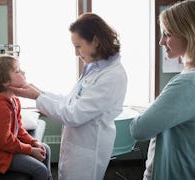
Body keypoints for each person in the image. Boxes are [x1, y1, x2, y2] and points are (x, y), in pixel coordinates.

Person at [10, 12, 127, 180]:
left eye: (78, 46)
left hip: (89, 150)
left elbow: (74, 115)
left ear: (95, 41)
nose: (75, 53)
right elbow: (71, 101)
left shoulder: (112, 76)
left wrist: (37, 97)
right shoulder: (94, 68)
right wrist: (40, 93)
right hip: (77, 146)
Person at [129, 0, 195, 180]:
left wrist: (149, 109)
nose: (161, 41)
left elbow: (138, 129)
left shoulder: (188, 83)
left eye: (167, 34)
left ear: (190, 35)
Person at [0, 55, 52, 180]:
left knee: (46, 149)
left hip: (2, 147)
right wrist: (30, 150)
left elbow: (19, 129)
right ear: (5, 82)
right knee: (39, 170)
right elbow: (5, 142)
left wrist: (33, 142)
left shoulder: (14, 101)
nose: (23, 72)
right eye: (18, 71)